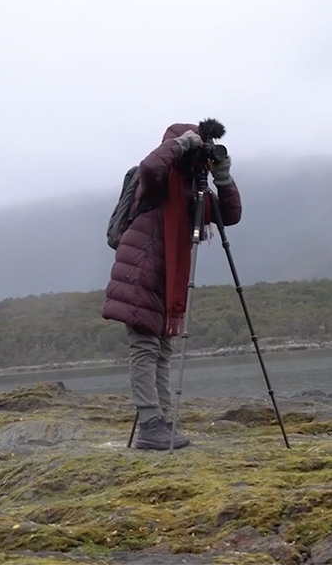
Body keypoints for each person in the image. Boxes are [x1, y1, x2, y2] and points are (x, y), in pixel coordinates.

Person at [102, 121, 242, 450]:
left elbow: (230, 215)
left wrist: (223, 177)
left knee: (162, 349)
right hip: (140, 272)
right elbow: (152, 164)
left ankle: (162, 422)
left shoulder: (192, 193)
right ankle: (150, 424)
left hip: (166, 277)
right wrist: (182, 143)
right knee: (146, 347)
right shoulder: (154, 181)